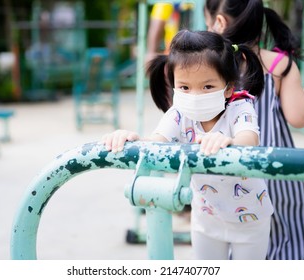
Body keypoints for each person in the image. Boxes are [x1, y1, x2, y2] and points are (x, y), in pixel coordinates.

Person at [103, 30, 274, 260]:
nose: (194, 95)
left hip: (250, 218)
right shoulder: (179, 114)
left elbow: (249, 139)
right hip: (205, 216)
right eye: (184, 87)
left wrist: (231, 142)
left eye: (207, 87)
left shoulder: (239, 107)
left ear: (229, 87)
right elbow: (156, 144)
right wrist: (130, 138)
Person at [204, 0, 304, 260]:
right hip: (275, 179)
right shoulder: (278, 65)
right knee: (285, 244)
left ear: (218, 22)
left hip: (227, 179)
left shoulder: (211, 69)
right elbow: (298, 117)